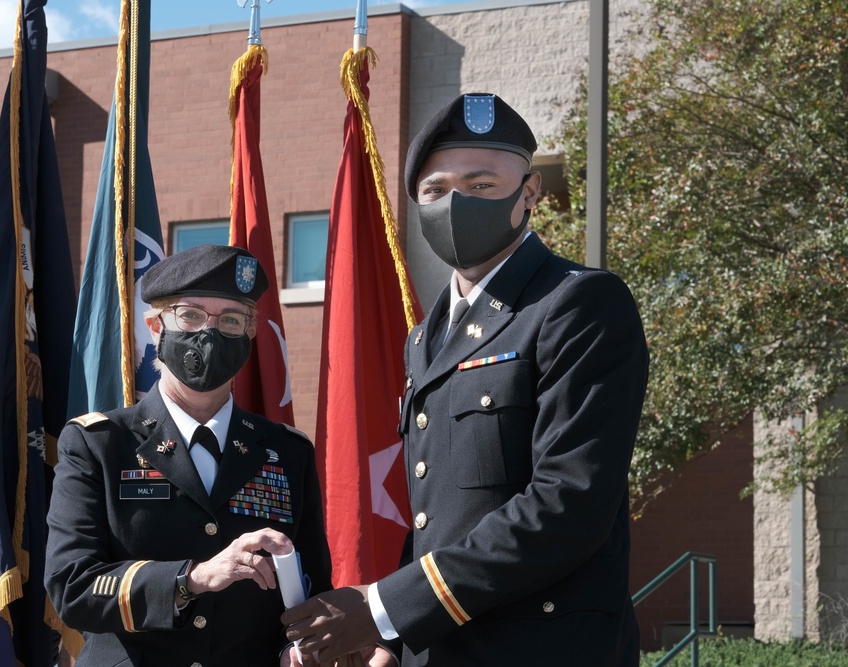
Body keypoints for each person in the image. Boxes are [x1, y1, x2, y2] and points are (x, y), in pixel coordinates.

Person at [282, 93, 649, 666]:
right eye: (435, 190)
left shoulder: (577, 303)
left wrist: (381, 607)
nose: (455, 204)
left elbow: (568, 504)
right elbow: (439, 519)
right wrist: (393, 639)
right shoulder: (426, 336)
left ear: (528, 194)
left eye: (481, 185)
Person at [45, 244, 333, 666]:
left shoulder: (287, 452)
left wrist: (296, 650)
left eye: (231, 320)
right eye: (191, 315)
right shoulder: (99, 445)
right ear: (155, 327)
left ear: (249, 335)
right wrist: (192, 579)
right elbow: (72, 586)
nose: (210, 333)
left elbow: (311, 588)